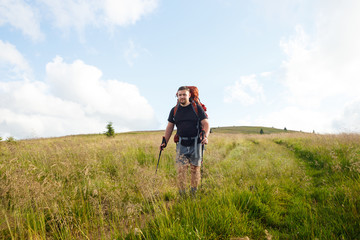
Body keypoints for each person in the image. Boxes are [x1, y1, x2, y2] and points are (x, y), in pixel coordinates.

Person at [160, 86, 210, 196]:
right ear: (177, 95)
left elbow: (206, 124)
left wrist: (205, 136)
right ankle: (182, 194)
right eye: (180, 95)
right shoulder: (174, 110)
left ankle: (193, 193)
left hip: (196, 142)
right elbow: (170, 127)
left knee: (195, 169)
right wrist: (165, 142)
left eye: (184, 95)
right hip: (181, 143)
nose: (182, 97)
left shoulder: (196, 108)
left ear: (189, 95)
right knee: (181, 170)